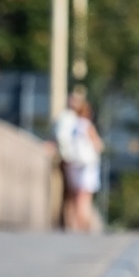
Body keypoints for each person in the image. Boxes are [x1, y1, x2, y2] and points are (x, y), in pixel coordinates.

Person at [53, 88, 103, 231]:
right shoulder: (86, 125)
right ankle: (83, 224)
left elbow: (60, 139)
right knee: (84, 196)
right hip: (86, 164)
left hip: (73, 163)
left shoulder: (70, 124)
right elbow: (98, 145)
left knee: (74, 195)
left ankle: (74, 223)